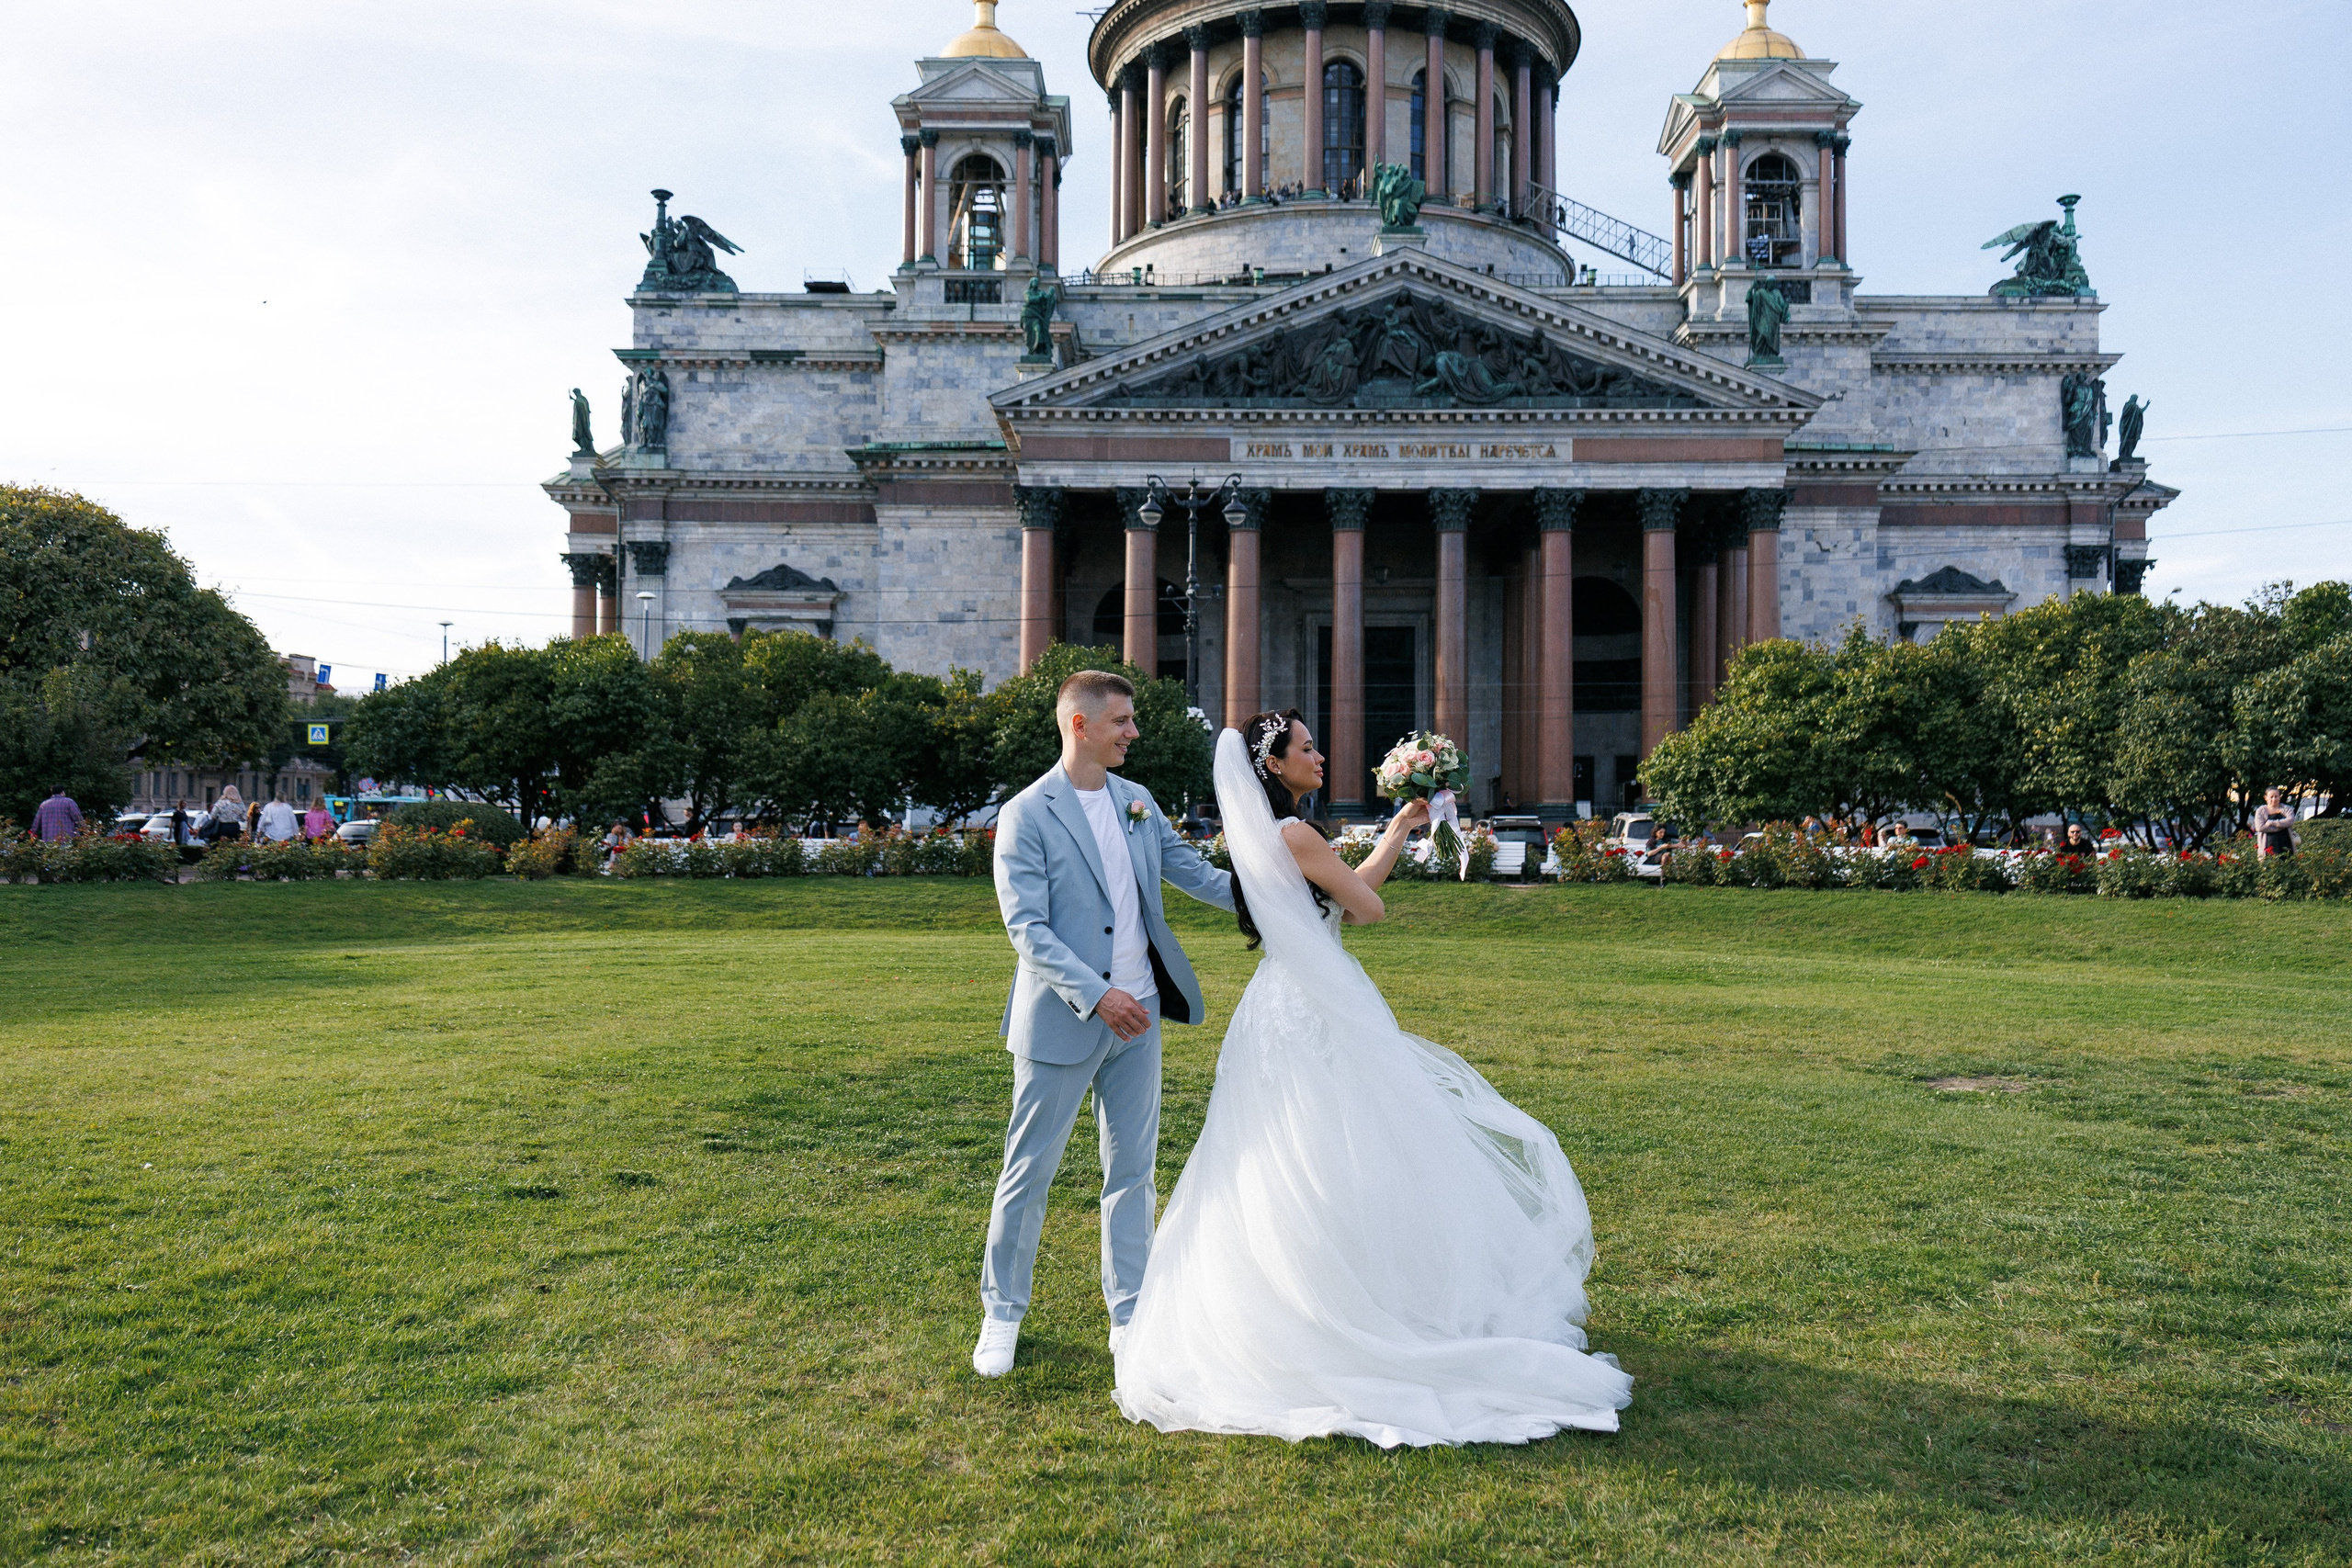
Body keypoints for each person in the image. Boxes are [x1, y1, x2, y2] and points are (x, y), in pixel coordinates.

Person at [1112, 712, 1634, 1447]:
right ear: (1274, 766)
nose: (1320, 756)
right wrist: (1395, 839)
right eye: (1306, 748)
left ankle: (1308, 1297)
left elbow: (1343, 902)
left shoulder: (1273, 836)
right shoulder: (1295, 835)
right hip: (1315, 1004)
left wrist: (1397, 828)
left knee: (1293, 1148)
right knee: (1343, 1140)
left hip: (1281, 999)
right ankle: (1346, 1309)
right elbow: (1370, 908)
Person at [974, 671, 1235, 1379]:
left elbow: (1196, 874)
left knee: (1133, 1174)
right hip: (1063, 1023)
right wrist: (1097, 995)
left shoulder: (1139, 802)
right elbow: (1025, 927)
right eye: (1122, 720)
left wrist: (1275, 896)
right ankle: (1002, 1314)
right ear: (1080, 725)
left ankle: (1132, 1314)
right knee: (1028, 1174)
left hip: (1141, 1021)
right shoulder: (1028, 813)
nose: (1134, 732)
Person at [2253, 787, 2298, 857]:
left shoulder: (2287, 809)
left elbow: (2290, 821)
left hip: (2286, 845)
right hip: (2268, 847)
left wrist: (2271, 823)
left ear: (2279, 797)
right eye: (2271, 797)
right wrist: (2282, 826)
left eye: (2276, 796)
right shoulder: (2260, 811)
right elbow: (2260, 828)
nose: (2274, 799)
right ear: (2265, 798)